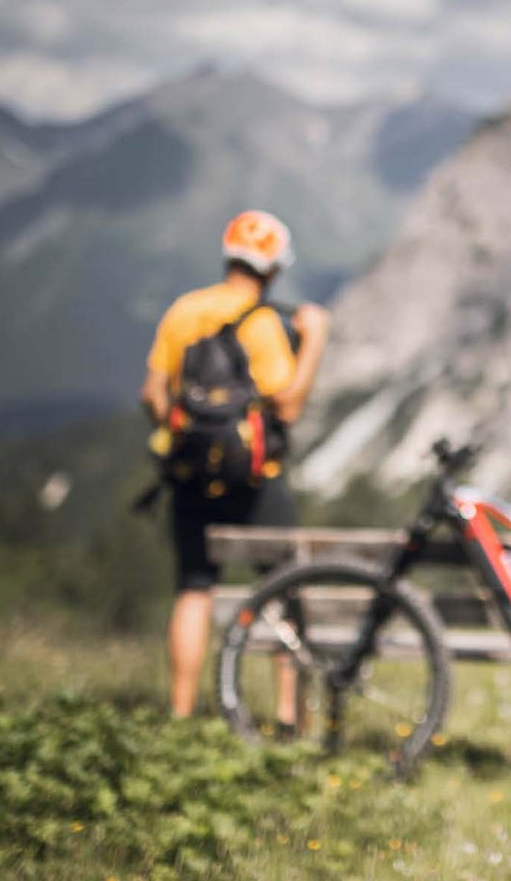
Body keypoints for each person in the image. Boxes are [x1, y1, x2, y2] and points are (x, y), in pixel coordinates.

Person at [141, 209, 331, 718]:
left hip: (190, 479)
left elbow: (153, 393)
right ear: (272, 269)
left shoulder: (184, 310)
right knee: (282, 591)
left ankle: (181, 712)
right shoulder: (264, 324)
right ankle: (288, 715)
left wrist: (187, 438)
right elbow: (286, 404)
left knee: (193, 589)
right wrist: (313, 341)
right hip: (255, 481)